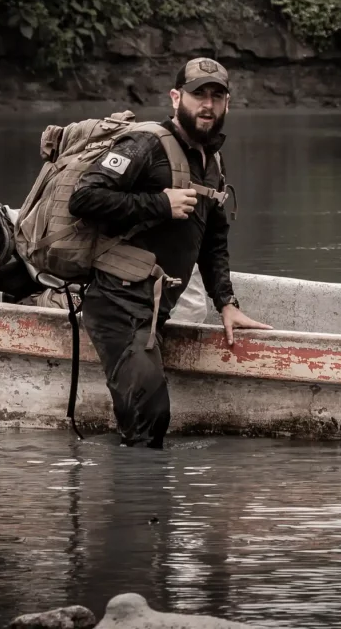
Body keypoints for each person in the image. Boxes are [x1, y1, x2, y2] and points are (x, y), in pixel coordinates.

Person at [67, 56, 268, 447]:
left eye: (216, 96)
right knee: (150, 419)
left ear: (227, 103)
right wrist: (159, 203)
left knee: (148, 424)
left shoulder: (212, 159)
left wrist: (226, 302)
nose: (207, 105)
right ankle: (134, 483)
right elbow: (85, 197)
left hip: (155, 307)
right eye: (198, 95)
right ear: (176, 98)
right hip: (117, 302)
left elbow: (213, 238)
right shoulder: (145, 144)